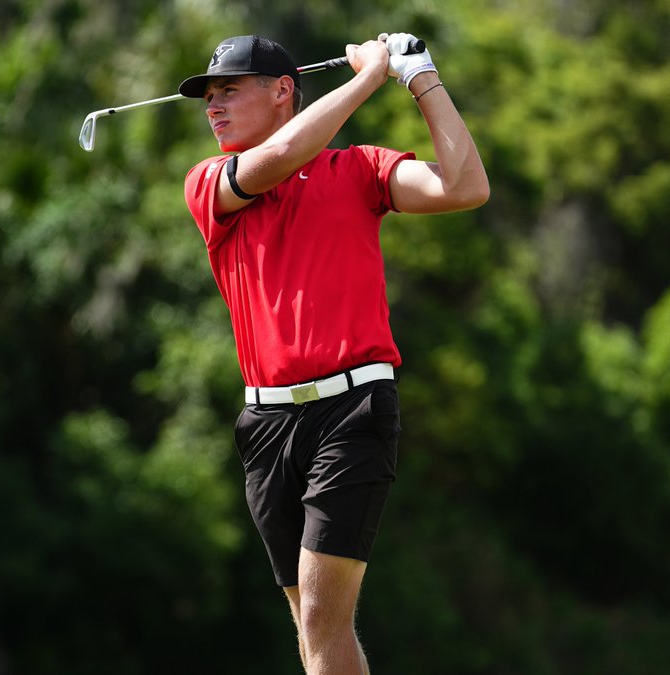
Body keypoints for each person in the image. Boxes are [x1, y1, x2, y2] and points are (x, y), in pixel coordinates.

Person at [179, 32, 489, 674]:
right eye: (208, 97)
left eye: (228, 90)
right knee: (314, 628)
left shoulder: (360, 169)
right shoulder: (209, 182)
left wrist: (419, 77)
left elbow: (464, 186)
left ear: (282, 90)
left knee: (322, 619)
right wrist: (368, 77)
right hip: (266, 425)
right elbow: (280, 155)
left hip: (351, 411)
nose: (213, 107)